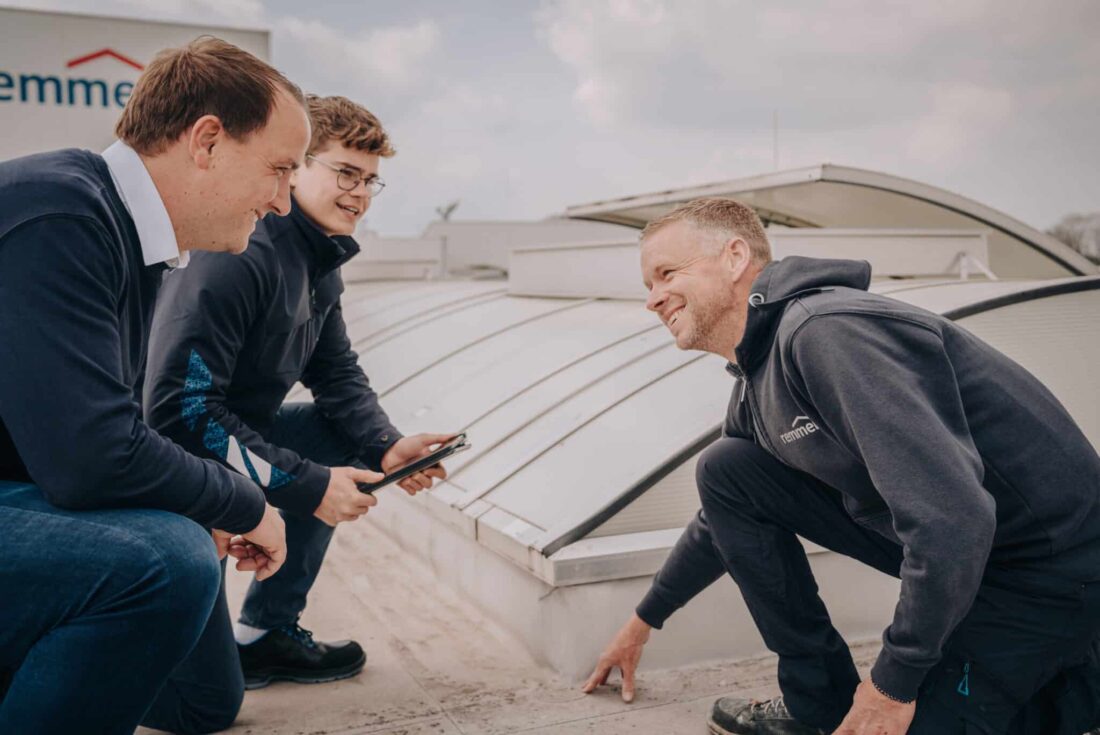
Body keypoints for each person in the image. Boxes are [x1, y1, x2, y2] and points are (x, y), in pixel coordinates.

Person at [582, 198, 1100, 734]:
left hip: (1052, 572)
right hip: (978, 560)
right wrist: (644, 621)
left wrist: (891, 684)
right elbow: (722, 515)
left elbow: (954, 519)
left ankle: (1075, 680)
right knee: (726, 469)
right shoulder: (758, 375)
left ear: (735, 257)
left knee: (903, 721)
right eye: (648, 283)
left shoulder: (825, 332)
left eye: (666, 273)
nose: (653, 299)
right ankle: (818, 707)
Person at [0, 38, 309, 734]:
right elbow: (91, 456)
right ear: (206, 140)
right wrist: (243, 500)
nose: (284, 202)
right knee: (162, 563)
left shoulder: (127, 239)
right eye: (280, 169)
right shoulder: (61, 213)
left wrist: (197, 502)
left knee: (204, 701)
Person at [143, 94, 452, 704]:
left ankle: (264, 633)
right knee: (204, 705)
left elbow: (335, 371)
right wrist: (308, 486)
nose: (360, 194)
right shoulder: (242, 254)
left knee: (345, 439)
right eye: (345, 173)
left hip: (226, 434)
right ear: (296, 167)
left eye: (370, 181)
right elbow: (178, 412)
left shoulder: (317, 259)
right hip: (163, 459)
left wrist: (388, 445)